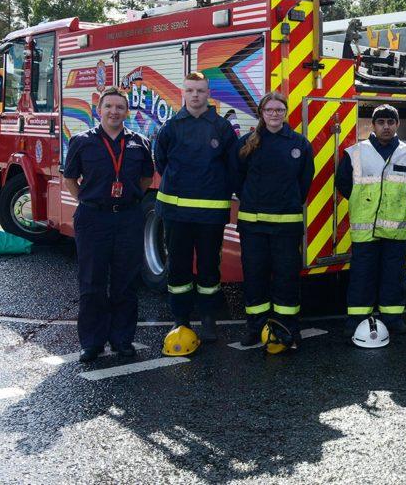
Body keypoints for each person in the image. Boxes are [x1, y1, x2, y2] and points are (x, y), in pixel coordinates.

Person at [62, 87, 155, 362]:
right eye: (109, 106)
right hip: (93, 218)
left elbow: (146, 179)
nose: (114, 112)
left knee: (126, 282)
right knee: (92, 281)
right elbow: (70, 178)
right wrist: (91, 201)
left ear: (127, 112)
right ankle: (92, 342)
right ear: (99, 110)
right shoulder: (82, 141)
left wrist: (125, 200)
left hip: (127, 217)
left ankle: (122, 339)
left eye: (119, 107)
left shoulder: (140, 142)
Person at [154, 72, 238, 344]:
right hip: (176, 213)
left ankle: (208, 320)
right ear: (183, 92)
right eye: (190, 90)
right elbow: (161, 162)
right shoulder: (171, 127)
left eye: (200, 91)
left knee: (208, 270)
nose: (195, 95)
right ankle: (180, 319)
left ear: (208, 93)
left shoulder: (222, 128)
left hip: (210, 214)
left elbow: (231, 165)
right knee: (177, 268)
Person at [233, 92, 314, 350]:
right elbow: (237, 179)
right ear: (261, 113)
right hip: (253, 225)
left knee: (286, 278)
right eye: (269, 110)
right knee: (255, 277)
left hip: (286, 225)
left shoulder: (299, 144)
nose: (274, 114)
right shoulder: (248, 142)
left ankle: (286, 326)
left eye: (279, 109)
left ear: (286, 112)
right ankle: (255, 327)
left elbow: (304, 183)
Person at [335, 105, 406, 341]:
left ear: (397, 125)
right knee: (362, 276)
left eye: (390, 122)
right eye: (381, 122)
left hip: (396, 229)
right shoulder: (355, 152)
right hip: (365, 228)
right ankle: (356, 320)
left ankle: (393, 319)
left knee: (393, 276)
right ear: (372, 125)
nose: (386, 126)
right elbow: (343, 182)